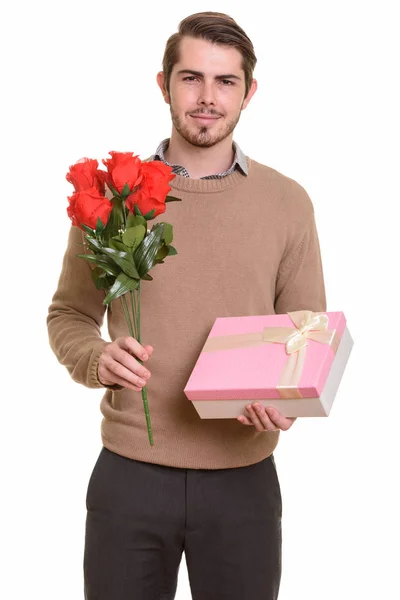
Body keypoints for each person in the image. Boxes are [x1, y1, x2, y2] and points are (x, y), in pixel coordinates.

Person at [47, 11, 326, 600]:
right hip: (129, 474)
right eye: (191, 78)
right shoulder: (112, 199)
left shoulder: (287, 202)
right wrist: (98, 357)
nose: (207, 97)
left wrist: (286, 401)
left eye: (225, 82)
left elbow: (307, 336)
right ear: (163, 84)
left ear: (249, 92)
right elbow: (68, 315)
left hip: (243, 479)